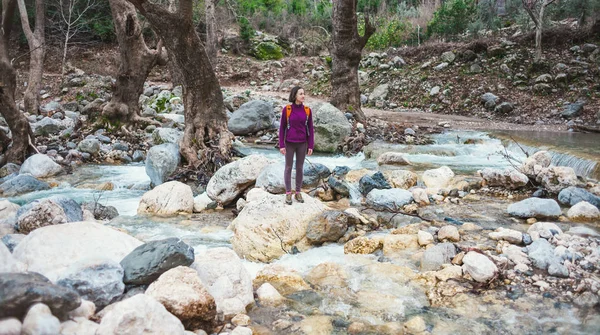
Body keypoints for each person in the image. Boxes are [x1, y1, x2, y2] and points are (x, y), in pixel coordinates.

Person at [279, 86, 314, 205]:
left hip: (302, 144)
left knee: (299, 168)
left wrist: (310, 145)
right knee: (288, 167)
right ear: (294, 96)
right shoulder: (287, 109)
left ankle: (298, 192)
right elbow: (282, 128)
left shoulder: (307, 110)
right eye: (300, 94)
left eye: (304, 94)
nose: (303, 96)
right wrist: (281, 145)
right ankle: (288, 193)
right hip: (289, 143)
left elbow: (310, 129)